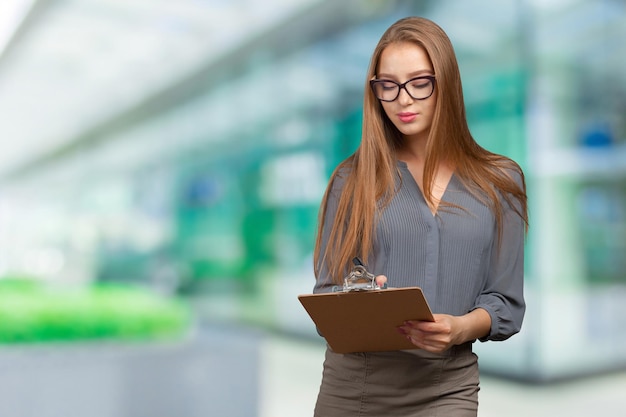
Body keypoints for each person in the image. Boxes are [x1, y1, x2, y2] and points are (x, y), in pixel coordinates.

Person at [311, 16, 528, 417]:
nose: (403, 99)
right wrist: (362, 301)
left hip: (447, 388)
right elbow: (327, 292)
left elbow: (505, 302)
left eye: (419, 82)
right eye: (388, 85)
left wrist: (461, 328)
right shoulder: (350, 179)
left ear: (446, 83)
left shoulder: (501, 180)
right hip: (356, 389)